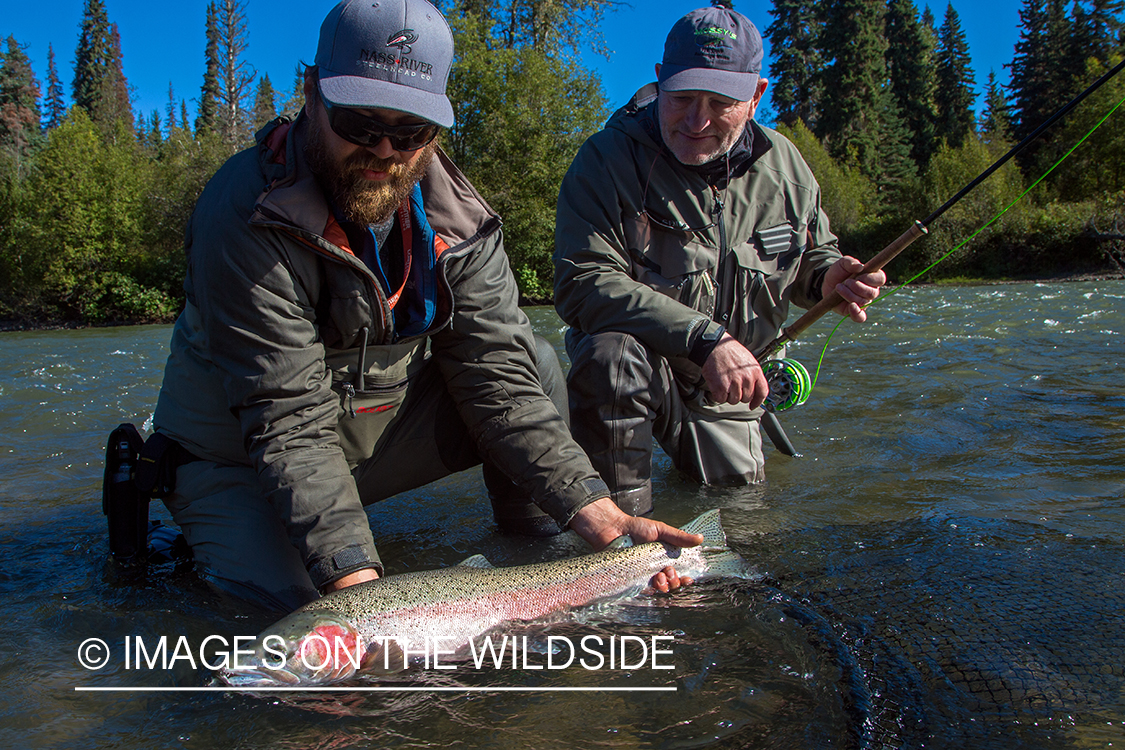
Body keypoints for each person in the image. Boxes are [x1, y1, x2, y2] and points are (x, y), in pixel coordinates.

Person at [150, 0, 698, 611]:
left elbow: (502, 382)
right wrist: (361, 599)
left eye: (411, 132)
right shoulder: (247, 211)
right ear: (312, 95)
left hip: (367, 436)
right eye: (359, 123)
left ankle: (534, 556)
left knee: (535, 366)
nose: (384, 151)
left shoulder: (460, 220)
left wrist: (599, 517)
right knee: (293, 629)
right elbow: (288, 420)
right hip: (241, 456)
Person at [553, 7, 887, 516]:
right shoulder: (606, 161)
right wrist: (706, 338)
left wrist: (827, 278)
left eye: (720, 102)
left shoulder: (787, 168)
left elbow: (810, 255)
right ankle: (618, 550)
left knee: (741, 524)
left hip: (730, 389)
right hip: (644, 369)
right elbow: (582, 283)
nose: (697, 120)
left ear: (756, 96)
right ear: (659, 81)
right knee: (610, 355)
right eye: (683, 97)